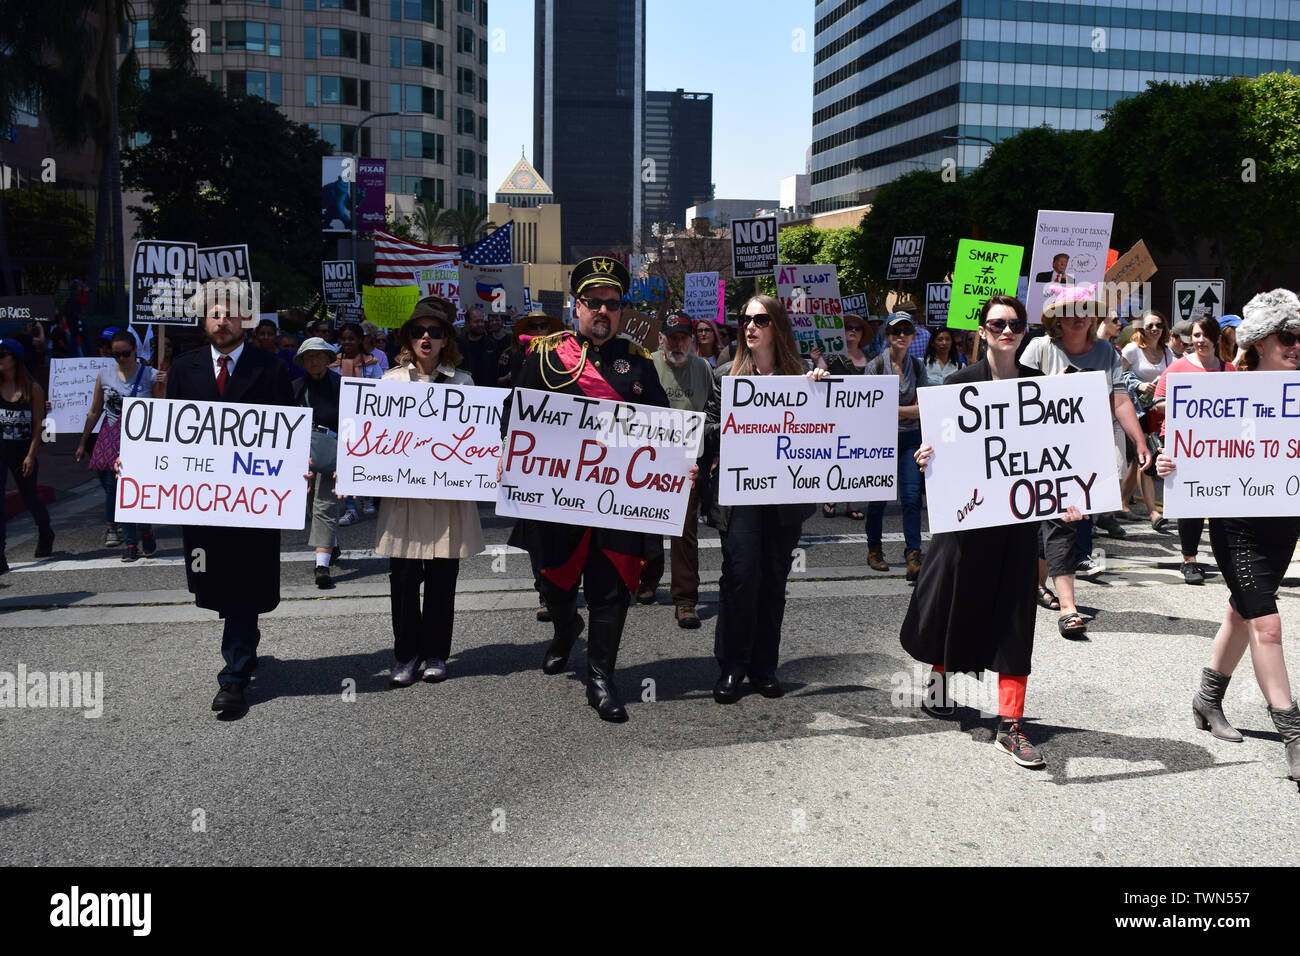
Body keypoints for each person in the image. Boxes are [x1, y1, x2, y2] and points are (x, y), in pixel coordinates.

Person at [903, 295, 1081, 767]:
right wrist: (927, 459)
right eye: (997, 324)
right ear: (981, 330)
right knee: (951, 605)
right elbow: (937, 448)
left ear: (1025, 332)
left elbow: (1055, 454)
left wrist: (1069, 496)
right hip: (966, 523)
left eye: (1015, 324)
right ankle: (938, 687)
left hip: (1015, 526)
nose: (1007, 331)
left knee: (1015, 619)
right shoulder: (958, 384)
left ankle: (1011, 724)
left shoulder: (1038, 386)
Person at [500, 257, 670, 722]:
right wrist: (505, 453)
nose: (603, 310)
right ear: (577, 306)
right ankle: (564, 628)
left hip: (618, 502)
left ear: (620, 310)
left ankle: (601, 678)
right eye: (594, 302)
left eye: (612, 304)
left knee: (611, 590)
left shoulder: (638, 362)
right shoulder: (548, 356)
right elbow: (513, 416)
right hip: (558, 502)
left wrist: (682, 469)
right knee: (554, 581)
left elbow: (664, 430)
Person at [1157, 289, 1300, 783]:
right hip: (1236, 526)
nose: (1296, 345)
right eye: (1286, 336)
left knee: (1241, 614)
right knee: (1268, 624)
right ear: (1259, 342)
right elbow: (1190, 447)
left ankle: (1207, 699)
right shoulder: (1222, 390)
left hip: (1284, 524)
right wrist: (1169, 464)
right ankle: (1295, 736)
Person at [166, 282, 294, 715]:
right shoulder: (184, 369)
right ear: (204, 321)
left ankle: (233, 677)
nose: (222, 320)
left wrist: (299, 466)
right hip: (203, 503)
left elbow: (288, 431)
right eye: (214, 313)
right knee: (214, 582)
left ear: (246, 320)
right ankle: (244, 643)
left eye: (230, 313)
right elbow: (169, 434)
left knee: (245, 583)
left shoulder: (271, 368)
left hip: (253, 502)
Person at [704, 295, 825, 703]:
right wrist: (735, 427)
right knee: (740, 579)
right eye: (745, 320)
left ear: (777, 326)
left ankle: (764, 666)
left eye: (760, 319)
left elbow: (830, 424)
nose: (750, 326)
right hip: (740, 497)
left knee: (773, 580)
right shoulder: (725, 375)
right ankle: (732, 665)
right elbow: (706, 429)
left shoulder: (804, 374)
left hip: (786, 495)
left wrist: (822, 390)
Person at [1021, 286, 1149, 637]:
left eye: (1083, 310)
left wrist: (1139, 442)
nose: (1077, 316)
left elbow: (1119, 400)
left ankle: (1068, 606)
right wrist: (1053, 390)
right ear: (1056, 319)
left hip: (1084, 452)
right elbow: (1017, 401)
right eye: (1069, 310)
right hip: (1039, 452)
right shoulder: (1038, 349)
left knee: (1065, 521)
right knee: (1044, 522)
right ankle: (1037, 585)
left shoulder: (1107, 351)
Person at [376, 298, 485, 685]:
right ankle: (406, 655)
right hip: (404, 498)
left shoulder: (464, 383)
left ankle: (437, 653)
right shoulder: (389, 383)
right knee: (403, 579)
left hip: (447, 498)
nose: (426, 337)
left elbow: (479, 437)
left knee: (443, 578)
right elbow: (373, 438)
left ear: (445, 339)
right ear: (408, 336)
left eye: (434, 331)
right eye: (419, 330)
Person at [637, 311, 712, 628]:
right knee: (644, 526)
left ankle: (685, 600)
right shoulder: (646, 364)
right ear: (661, 339)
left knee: (685, 535)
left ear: (691, 340)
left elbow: (709, 413)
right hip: (646, 460)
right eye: (672, 337)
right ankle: (647, 581)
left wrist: (705, 459)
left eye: (684, 337)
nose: (678, 343)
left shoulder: (702, 368)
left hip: (686, 464)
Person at [1150, 317, 1233, 585]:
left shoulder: (1228, 370)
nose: (1200, 340)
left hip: (1217, 446)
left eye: (1205, 335)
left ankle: (1227, 560)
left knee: (1220, 504)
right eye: (1196, 335)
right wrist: (1190, 400)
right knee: (1190, 502)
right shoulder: (1177, 368)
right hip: (1184, 444)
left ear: (1216, 338)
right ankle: (1189, 560)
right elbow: (1157, 403)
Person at [73, 330, 163, 560]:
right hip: (111, 439)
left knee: (134, 489)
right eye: (116, 355)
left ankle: (139, 536)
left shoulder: (150, 376)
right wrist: (83, 443)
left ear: (135, 351)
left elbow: (162, 410)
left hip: (141, 441)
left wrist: (163, 386)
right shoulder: (104, 375)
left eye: (125, 354)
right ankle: (136, 538)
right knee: (116, 492)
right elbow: (94, 411)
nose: (121, 359)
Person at [864, 313, 929, 581]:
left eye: (907, 330)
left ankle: (913, 554)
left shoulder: (918, 365)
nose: (901, 335)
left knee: (912, 498)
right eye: (896, 331)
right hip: (881, 439)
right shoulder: (875, 366)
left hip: (910, 439)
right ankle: (874, 549)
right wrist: (906, 410)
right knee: (877, 498)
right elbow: (870, 409)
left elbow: (923, 408)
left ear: (913, 336)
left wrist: (894, 408)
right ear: (887, 336)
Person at [0, 338, 53, 572]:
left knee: (30, 496)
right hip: (1, 450)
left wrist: (31, 455)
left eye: (2, 354)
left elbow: (38, 426)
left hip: (23, 451)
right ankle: (0, 553)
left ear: (15, 359)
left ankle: (45, 531)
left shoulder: (33, 389)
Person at [293, 337, 342, 589]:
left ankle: (321, 565)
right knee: (310, 505)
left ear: (328, 359)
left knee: (324, 506)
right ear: (302, 361)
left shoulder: (342, 386)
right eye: (308, 356)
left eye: (318, 355)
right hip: (303, 454)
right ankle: (331, 544)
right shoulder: (296, 387)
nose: (313, 360)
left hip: (334, 452)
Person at [1120, 309, 1174, 531]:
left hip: (1157, 412)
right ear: (1142, 327)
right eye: (1150, 325)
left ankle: (1122, 503)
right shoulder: (1132, 350)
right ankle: (1153, 512)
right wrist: (1138, 384)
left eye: (1159, 325)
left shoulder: (1167, 353)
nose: (1155, 329)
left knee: (1138, 460)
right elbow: (1116, 376)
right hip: (1135, 412)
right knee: (1147, 457)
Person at [818, 313, 872, 520]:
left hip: (862, 419)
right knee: (835, 457)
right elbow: (818, 376)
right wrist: (817, 365)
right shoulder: (831, 357)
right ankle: (831, 496)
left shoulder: (872, 358)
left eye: (857, 328)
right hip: (835, 418)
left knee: (857, 458)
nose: (852, 330)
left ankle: (852, 503)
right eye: (848, 327)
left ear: (862, 335)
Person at [333, 322, 382, 525]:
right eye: (344, 339)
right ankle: (351, 508)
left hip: (366, 420)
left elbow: (381, 388)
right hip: (342, 420)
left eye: (351, 338)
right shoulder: (333, 364)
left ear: (360, 340)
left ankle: (367, 497)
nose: (347, 342)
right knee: (345, 464)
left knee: (366, 459)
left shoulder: (371, 363)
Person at [458, 306, 502, 388]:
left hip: (487, 393)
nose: (480, 324)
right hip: (465, 391)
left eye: (482, 321)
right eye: (476, 321)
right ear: (467, 323)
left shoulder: (492, 345)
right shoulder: (458, 344)